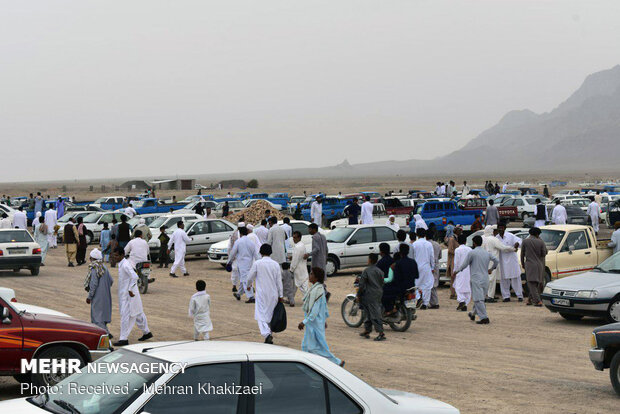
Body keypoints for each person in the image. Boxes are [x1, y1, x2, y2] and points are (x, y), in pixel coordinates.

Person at [298, 267, 343, 366]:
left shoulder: (317, 291)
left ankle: (336, 362)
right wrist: (324, 319)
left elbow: (314, 310)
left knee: (315, 347)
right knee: (306, 346)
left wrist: (304, 322)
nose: (310, 276)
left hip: (314, 322)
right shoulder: (316, 289)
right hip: (315, 322)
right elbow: (324, 306)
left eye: (311, 274)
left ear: (316, 277)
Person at [454, 235, 498, 324]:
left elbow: (464, 265)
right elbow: (496, 260)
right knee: (480, 298)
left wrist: (457, 271)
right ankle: (473, 313)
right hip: (485, 278)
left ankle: (484, 317)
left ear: (474, 243)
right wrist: (491, 269)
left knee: (478, 299)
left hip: (476, 279)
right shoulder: (486, 253)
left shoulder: (472, 253)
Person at [114, 248, 152, 346]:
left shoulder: (125, 265)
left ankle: (123, 338)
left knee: (126, 316)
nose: (115, 257)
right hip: (127, 294)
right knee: (138, 313)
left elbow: (135, 276)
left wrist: (130, 289)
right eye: (114, 255)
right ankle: (147, 332)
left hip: (129, 295)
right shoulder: (122, 264)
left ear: (122, 255)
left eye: (117, 255)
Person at [247, 244, 283, 344]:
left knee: (261, 314)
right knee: (271, 314)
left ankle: (267, 334)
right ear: (271, 252)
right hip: (273, 294)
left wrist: (249, 285)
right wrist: (281, 295)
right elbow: (279, 281)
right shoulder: (275, 264)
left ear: (261, 252)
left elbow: (250, 277)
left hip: (262, 293)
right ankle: (269, 333)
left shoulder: (257, 263)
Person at [382, 244, 418, 315]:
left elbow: (396, 278)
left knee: (382, 293)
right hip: (411, 287)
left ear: (400, 251)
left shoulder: (397, 263)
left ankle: (388, 310)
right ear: (408, 252)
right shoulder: (413, 262)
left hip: (400, 288)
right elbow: (417, 275)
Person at [357, 253, 385, 341]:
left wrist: (359, 294)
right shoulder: (380, 271)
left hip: (369, 294)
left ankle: (381, 333)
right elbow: (382, 282)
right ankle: (367, 330)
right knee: (368, 312)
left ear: (370, 260)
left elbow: (361, 284)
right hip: (378, 293)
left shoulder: (367, 271)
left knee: (374, 313)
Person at [228, 226, 260, 302]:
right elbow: (256, 254)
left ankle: (251, 297)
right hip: (249, 264)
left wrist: (229, 262)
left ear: (240, 233)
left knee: (245, 280)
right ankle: (239, 294)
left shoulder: (238, 242)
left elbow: (233, 253)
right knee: (244, 279)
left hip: (241, 264)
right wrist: (259, 263)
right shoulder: (251, 242)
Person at [85, 249, 113, 336]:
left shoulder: (94, 268)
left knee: (97, 317)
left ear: (92, 258)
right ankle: (106, 331)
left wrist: (89, 297)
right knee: (102, 315)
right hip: (106, 295)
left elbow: (93, 284)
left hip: (97, 296)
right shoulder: (104, 267)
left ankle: (106, 334)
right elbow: (111, 281)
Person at [496, 221, 523, 302]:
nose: (500, 229)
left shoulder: (510, 236)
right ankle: (506, 296)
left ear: (504, 228)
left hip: (512, 260)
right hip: (502, 261)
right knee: (503, 279)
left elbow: (520, 240)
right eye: (499, 228)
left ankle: (519, 296)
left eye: (501, 228)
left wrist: (517, 244)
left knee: (516, 278)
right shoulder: (496, 238)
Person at [521, 227, 548, 306]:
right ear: (537, 234)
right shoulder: (541, 242)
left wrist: (523, 263)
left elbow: (522, 254)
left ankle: (537, 301)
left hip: (529, 264)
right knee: (536, 283)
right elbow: (544, 253)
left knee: (531, 283)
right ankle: (529, 300)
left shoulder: (525, 241)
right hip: (539, 264)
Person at [412, 228, 435, 309]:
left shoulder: (414, 244)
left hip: (417, 267)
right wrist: (432, 267)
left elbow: (412, 257)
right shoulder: (429, 244)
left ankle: (418, 298)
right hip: (426, 267)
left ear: (417, 235)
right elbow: (432, 257)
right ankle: (425, 303)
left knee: (416, 284)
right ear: (425, 235)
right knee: (427, 285)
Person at [453, 234, 472, 311]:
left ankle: (462, 301)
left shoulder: (457, 250)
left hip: (460, 271)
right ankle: (465, 303)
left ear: (457, 241)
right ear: (465, 241)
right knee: (467, 287)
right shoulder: (470, 249)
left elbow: (456, 262)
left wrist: (455, 271)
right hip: (468, 270)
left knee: (458, 286)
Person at [289, 231, 309, 297]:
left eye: (295, 237)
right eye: (293, 237)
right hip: (302, 268)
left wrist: (291, 269)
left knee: (302, 286)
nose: (293, 239)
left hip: (298, 270)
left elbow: (295, 260)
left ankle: (308, 300)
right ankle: (291, 299)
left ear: (299, 238)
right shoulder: (302, 245)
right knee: (297, 286)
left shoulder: (297, 247)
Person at [426, 229, 442, 309]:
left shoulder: (426, 244)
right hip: (436, 265)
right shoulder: (437, 244)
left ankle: (434, 302)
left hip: (428, 265)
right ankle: (433, 302)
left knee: (429, 284)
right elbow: (440, 256)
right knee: (434, 283)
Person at [446, 226, 462, 299]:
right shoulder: (452, 239)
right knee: (453, 277)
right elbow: (449, 250)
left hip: (457, 259)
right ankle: (452, 294)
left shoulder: (457, 238)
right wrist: (457, 252)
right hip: (453, 260)